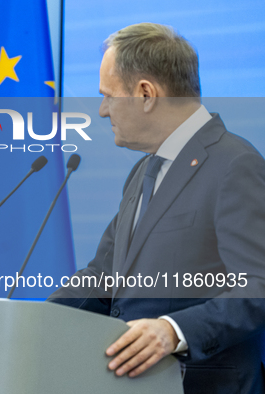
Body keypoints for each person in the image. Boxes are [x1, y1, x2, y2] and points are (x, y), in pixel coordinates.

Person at [48, 23, 265, 393]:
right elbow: (103, 277)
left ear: (146, 94)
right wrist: (31, 320)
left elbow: (256, 285)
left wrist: (173, 330)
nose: (102, 111)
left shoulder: (234, 164)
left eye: (109, 96)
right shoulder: (143, 170)